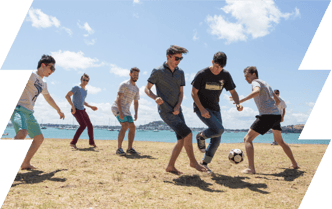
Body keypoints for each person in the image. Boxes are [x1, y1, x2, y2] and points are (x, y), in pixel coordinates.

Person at [145, 45, 207, 174]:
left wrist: (178, 106)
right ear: (168, 57)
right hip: (165, 111)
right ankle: (193, 162)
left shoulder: (180, 73)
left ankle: (170, 166)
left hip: (178, 110)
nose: (178, 61)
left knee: (181, 139)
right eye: (176, 58)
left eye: (180, 59)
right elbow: (147, 89)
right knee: (188, 133)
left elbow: (181, 92)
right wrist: (155, 97)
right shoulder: (157, 71)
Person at [232, 66, 299, 174]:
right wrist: (273, 110)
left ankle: (251, 168)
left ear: (254, 74)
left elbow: (257, 91)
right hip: (275, 114)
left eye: (247, 76)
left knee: (247, 139)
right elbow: (277, 101)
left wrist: (240, 100)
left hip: (267, 115)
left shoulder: (256, 82)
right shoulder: (266, 84)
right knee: (280, 141)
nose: (246, 79)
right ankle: (295, 164)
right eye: (245, 77)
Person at [191, 51, 243, 173]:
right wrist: (202, 109)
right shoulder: (202, 74)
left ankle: (204, 163)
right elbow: (193, 93)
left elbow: (233, 92)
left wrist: (238, 103)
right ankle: (201, 136)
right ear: (212, 62)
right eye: (216, 66)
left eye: (220, 67)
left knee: (217, 138)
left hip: (215, 108)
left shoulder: (225, 75)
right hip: (201, 107)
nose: (217, 70)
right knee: (219, 130)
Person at [10, 55, 65, 170]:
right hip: (18, 109)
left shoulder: (43, 83)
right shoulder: (30, 75)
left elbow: (48, 98)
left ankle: (25, 163)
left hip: (29, 113)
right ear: (43, 65)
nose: (52, 71)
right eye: (52, 68)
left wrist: (58, 109)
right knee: (22, 133)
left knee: (39, 138)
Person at [111, 67, 140, 156]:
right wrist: (120, 111)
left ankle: (129, 149)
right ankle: (119, 149)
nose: (135, 76)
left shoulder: (136, 89)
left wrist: (135, 113)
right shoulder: (124, 84)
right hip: (117, 107)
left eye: (137, 75)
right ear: (130, 74)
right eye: (134, 74)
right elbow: (118, 98)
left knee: (132, 127)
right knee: (125, 125)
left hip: (127, 110)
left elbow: (136, 102)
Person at [65, 73, 98, 149]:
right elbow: (67, 96)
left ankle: (92, 143)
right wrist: (72, 106)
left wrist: (91, 106)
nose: (85, 81)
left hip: (82, 110)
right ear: (81, 79)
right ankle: (73, 143)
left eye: (87, 80)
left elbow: (83, 101)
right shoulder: (76, 87)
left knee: (89, 125)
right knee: (83, 125)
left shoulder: (85, 91)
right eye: (84, 80)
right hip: (76, 110)